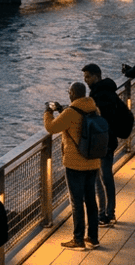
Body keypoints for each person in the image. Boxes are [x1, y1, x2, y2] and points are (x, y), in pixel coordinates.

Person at [43, 82, 101, 250]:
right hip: (93, 161)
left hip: (75, 164)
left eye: (69, 91)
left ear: (73, 94)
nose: (68, 94)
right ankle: (93, 237)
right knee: (90, 199)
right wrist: (62, 109)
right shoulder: (93, 108)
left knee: (76, 201)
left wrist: (48, 111)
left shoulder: (70, 112)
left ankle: (78, 239)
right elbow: (78, 122)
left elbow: (51, 127)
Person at [82, 63, 118, 226]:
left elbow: (96, 118)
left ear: (96, 76)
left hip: (101, 142)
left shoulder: (98, 94)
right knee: (107, 176)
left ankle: (103, 214)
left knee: (99, 177)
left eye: (88, 77)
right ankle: (110, 212)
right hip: (109, 139)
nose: (86, 80)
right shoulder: (108, 90)